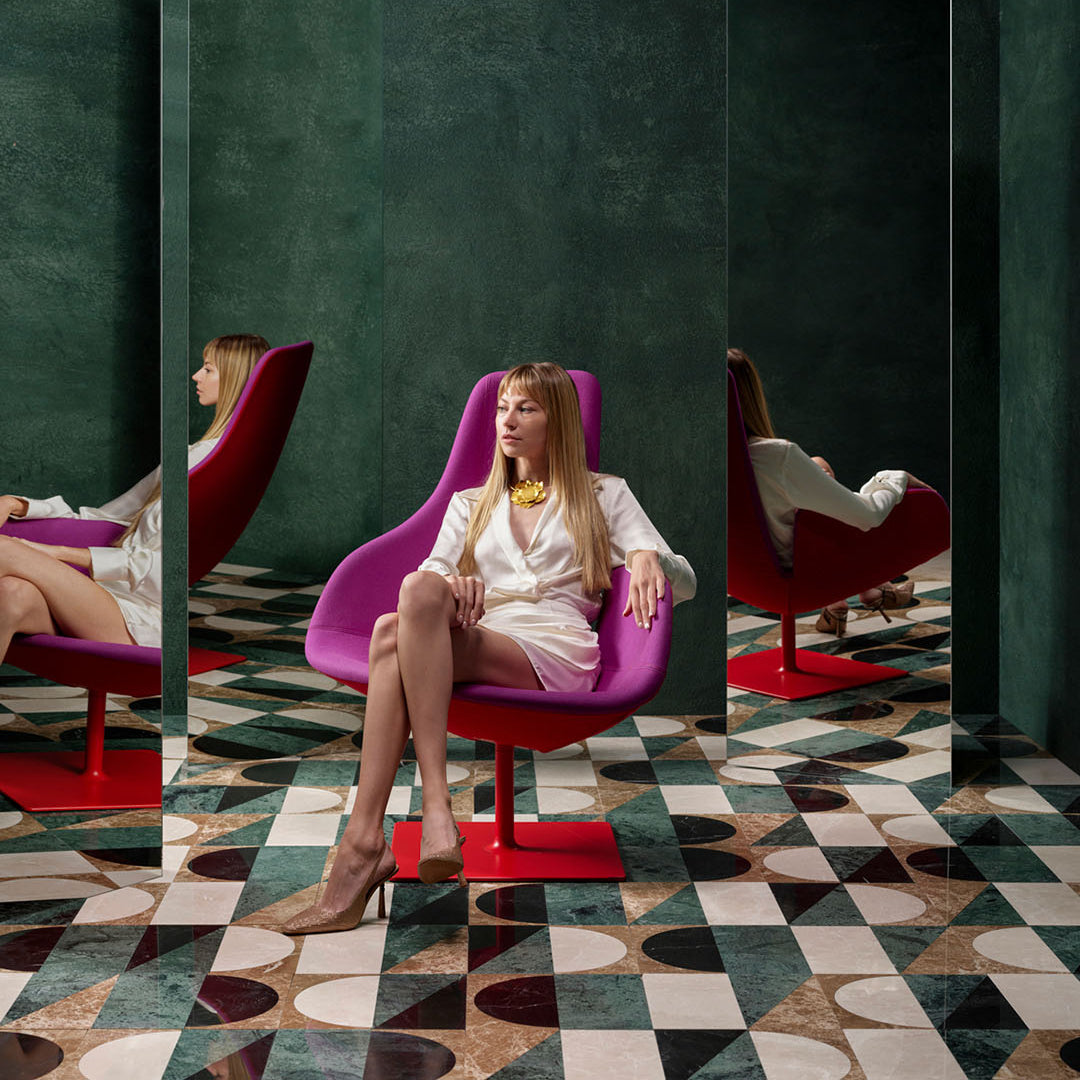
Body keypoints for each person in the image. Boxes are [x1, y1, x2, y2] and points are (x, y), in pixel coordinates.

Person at [283, 362, 696, 935]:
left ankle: (382, 837)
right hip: (486, 631)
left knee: (389, 636)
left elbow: (689, 582)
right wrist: (452, 585)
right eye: (502, 407)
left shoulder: (604, 494)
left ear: (560, 420)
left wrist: (650, 555)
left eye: (527, 408)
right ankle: (402, 826)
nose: (508, 420)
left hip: (555, 646)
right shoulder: (470, 502)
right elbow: (428, 575)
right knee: (409, 603)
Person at [0, 333, 269, 659]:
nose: (196, 375)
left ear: (235, 379)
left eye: (209, 369)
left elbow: (169, 568)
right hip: (103, 599)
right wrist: (17, 504)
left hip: (141, 620)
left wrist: (53, 553)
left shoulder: (219, 467)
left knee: (4, 551)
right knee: (11, 595)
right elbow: (105, 518)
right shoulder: (191, 456)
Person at [728, 347, 932, 636]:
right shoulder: (776, 457)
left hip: (747, 578)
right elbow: (868, 516)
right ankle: (871, 589)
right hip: (800, 576)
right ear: (751, 395)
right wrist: (893, 478)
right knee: (834, 489)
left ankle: (847, 602)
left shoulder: (706, 460)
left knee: (817, 467)